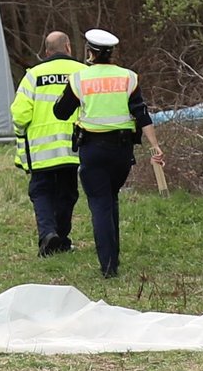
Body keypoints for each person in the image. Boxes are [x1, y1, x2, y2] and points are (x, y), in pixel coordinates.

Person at [53, 27, 164, 278]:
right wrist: (155, 146)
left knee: (100, 203)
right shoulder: (128, 77)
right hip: (121, 151)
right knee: (111, 197)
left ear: (90, 53)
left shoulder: (80, 78)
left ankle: (108, 266)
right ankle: (113, 256)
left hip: (92, 149)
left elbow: (60, 112)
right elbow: (142, 114)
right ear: (111, 53)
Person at [10, 31, 84, 256]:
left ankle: (48, 235)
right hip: (74, 148)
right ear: (69, 47)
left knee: (41, 192)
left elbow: (20, 115)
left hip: (41, 151)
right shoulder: (84, 73)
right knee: (67, 193)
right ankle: (60, 238)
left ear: (46, 52)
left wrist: (21, 134)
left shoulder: (33, 75)